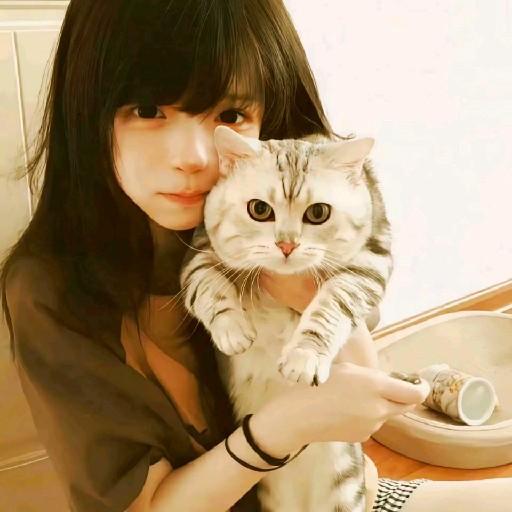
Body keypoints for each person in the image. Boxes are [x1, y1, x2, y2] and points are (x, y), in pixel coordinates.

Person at [1, 1, 510, 511]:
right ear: (85, 108)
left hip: (345, 493)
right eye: (149, 111)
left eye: (230, 115)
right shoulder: (50, 292)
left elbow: (358, 400)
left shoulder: (295, 205)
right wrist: (283, 427)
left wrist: (310, 296)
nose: (194, 157)